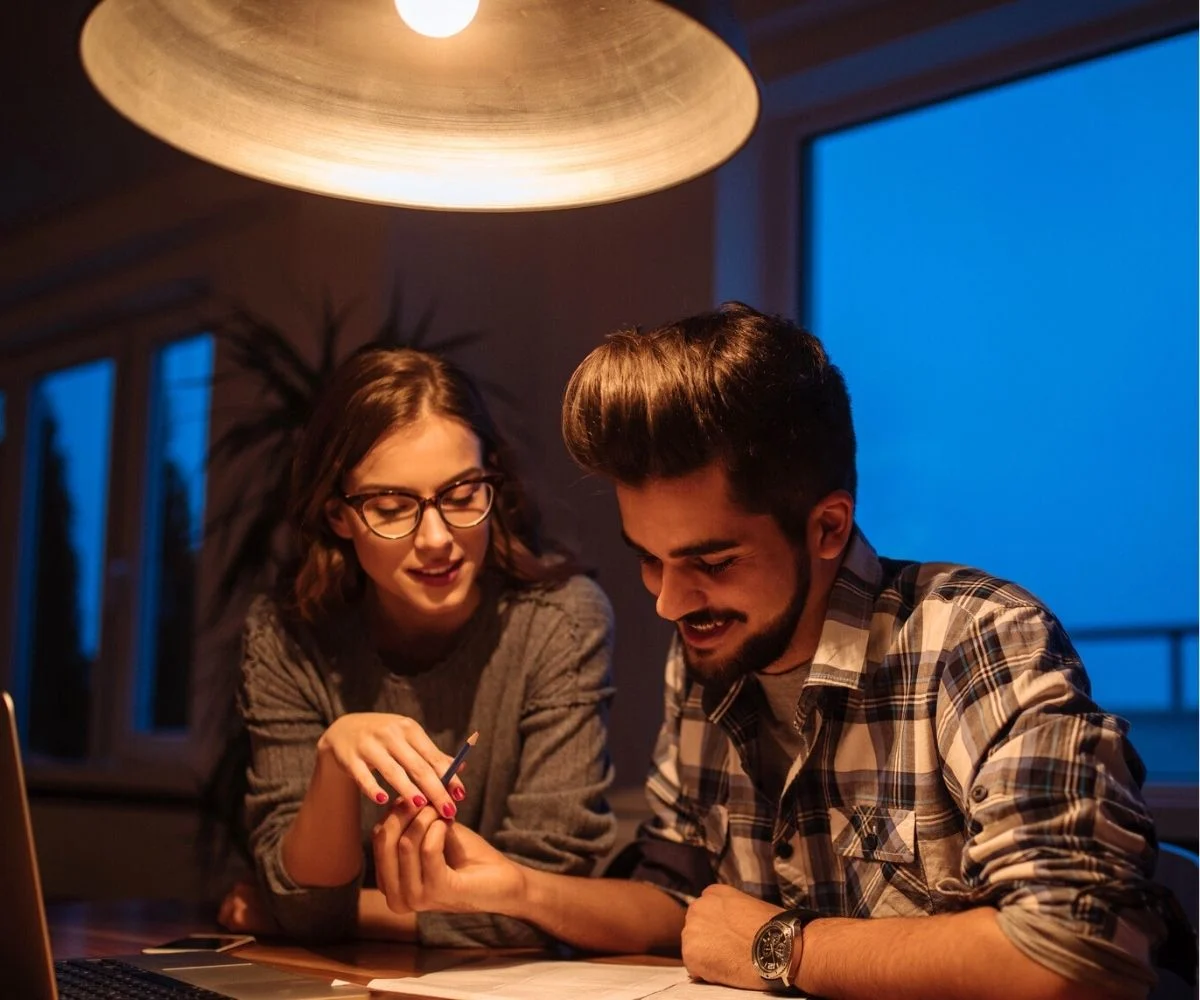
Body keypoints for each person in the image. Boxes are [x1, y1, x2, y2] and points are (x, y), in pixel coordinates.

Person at [370, 303, 1192, 998]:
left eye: (711, 562)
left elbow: (1078, 953)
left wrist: (781, 947)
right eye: (648, 557)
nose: (667, 600)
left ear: (827, 528)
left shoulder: (976, 640)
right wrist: (513, 888)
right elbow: (684, 904)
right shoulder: (708, 650)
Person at [218, 345, 617, 948]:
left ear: (494, 486)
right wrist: (333, 759)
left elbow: (539, 900)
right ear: (339, 515)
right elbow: (304, 901)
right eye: (391, 507)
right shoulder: (286, 638)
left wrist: (336, 916)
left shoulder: (559, 623)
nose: (436, 539)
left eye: (461, 497)